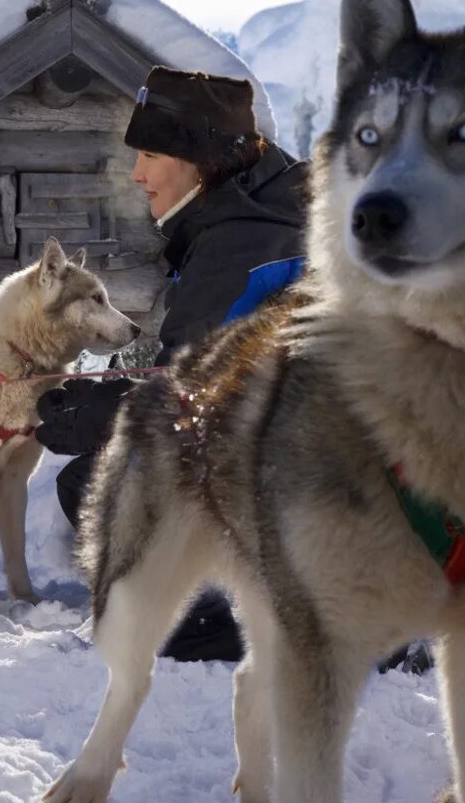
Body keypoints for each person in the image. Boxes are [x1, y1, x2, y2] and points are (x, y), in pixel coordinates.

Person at [36, 67, 307, 662]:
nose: (137, 173)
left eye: (152, 153)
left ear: (201, 159)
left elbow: (192, 400)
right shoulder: (269, 210)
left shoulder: (242, 244)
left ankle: (221, 626)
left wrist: (103, 414)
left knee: (98, 483)